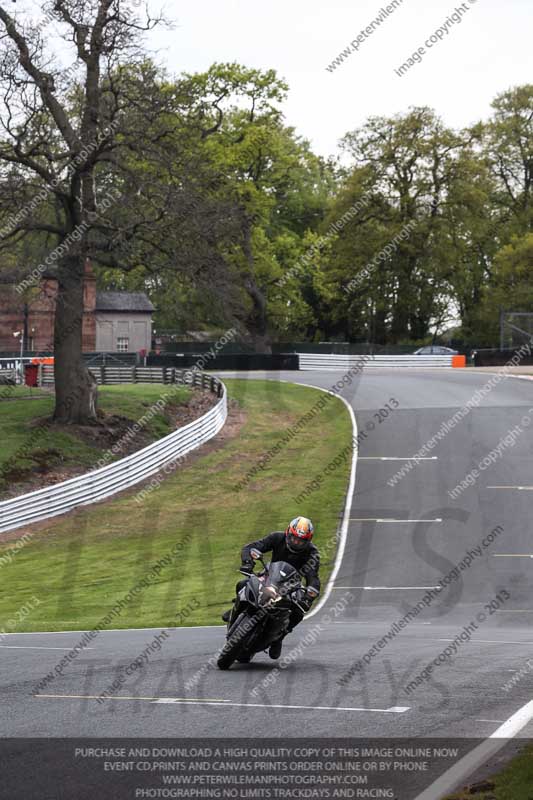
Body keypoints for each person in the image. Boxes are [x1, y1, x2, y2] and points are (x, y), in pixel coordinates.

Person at [222, 516, 320, 659]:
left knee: (298, 613)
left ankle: (279, 638)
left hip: (291, 587)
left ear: (307, 541)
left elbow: (313, 577)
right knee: (243, 584)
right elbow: (251, 547)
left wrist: (309, 595)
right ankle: (235, 611)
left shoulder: (312, 553)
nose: (296, 542)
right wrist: (248, 562)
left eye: (301, 541)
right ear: (288, 533)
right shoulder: (277, 537)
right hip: (269, 576)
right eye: (293, 538)